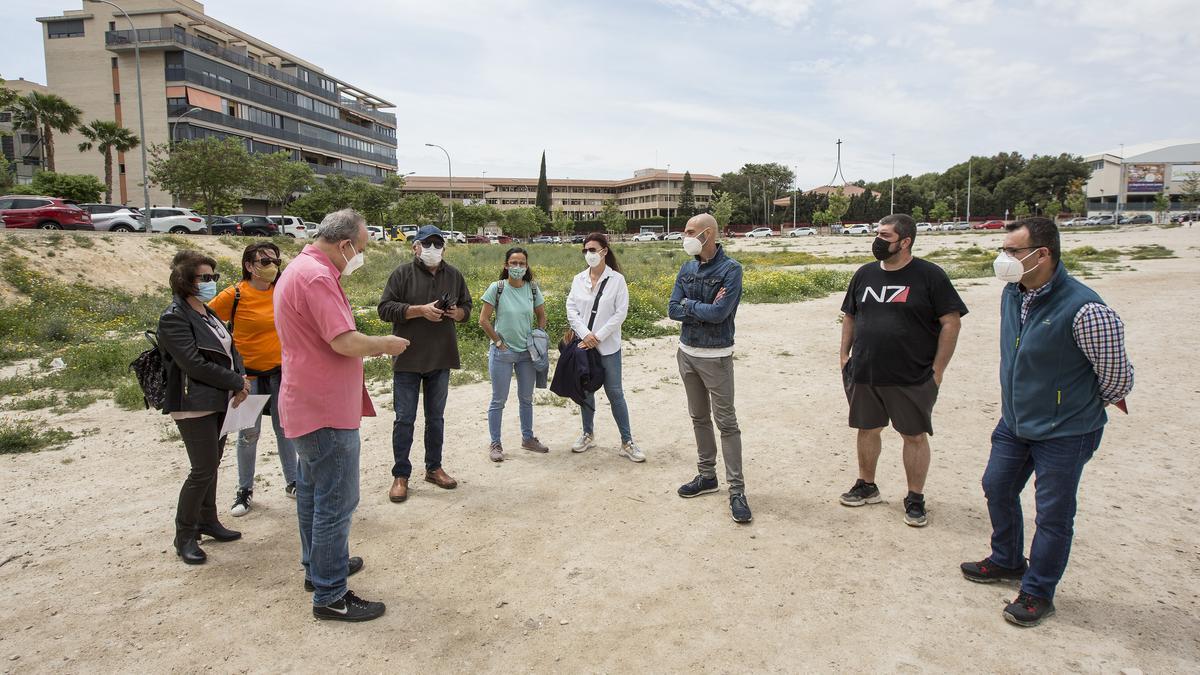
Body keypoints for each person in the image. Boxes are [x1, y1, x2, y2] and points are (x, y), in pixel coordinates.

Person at [961, 217, 1133, 627]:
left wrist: (1070, 407)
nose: (1004, 259)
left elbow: (1118, 378)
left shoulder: (1086, 309)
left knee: (1053, 515)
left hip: (1065, 432)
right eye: (1003, 250)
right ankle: (1006, 560)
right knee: (997, 486)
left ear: (1043, 254)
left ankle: (1038, 592)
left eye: (1013, 251)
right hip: (1016, 423)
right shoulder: (1012, 293)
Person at [274, 208, 410, 622]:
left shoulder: (300, 268)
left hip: (308, 401)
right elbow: (344, 341)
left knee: (314, 495)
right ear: (345, 243)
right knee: (337, 501)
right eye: (361, 248)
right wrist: (385, 343)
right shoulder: (315, 277)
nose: (360, 256)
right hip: (325, 408)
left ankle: (319, 569)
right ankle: (331, 594)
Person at [837, 213, 968, 527]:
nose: (877, 241)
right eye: (877, 233)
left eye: (885, 236)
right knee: (867, 429)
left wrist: (937, 370)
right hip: (865, 371)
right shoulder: (864, 274)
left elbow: (952, 322)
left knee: (913, 436)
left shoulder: (929, 276)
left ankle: (914, 497)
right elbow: (850, 316)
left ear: (905, 241)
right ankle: (867, 485)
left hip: (912, 375)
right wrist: (844, 356)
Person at [158, 250, 250, 565]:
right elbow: (193, 364)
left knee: (213, 463)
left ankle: (208, 520)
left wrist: (241, 376)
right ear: (186, 280)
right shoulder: (174, 316)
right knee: (202, 469)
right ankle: (184, 535)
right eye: (205, 277)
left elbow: (229, 347)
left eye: (214, 277)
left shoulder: (206, 312)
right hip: (193, 402)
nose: (211, 282)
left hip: (218, 399)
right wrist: (235, 382)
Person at [377, 225, 472, 503]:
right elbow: (384, 309)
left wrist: (457, 313)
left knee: (436, 418)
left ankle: (434, 468)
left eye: (437, 244)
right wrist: (419, 311)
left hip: (440, 357)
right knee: (404, 419)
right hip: (407, 358)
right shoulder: (401, 274)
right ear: (415, 247)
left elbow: (467, 307)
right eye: (426, 244)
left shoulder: (453, 275)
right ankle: (401, 474)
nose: (433, 250)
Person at [667, 213, 750, 524]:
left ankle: (737, 491)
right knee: (699, 417)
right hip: (686, 352)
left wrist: (690, 306)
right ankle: (707, 476)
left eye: (690, 231)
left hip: (716, 355)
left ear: (708, 234)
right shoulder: (686, 267)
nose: (684, 236)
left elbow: (720, 313)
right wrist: (694, 308)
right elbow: (672, 308)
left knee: (726, 423)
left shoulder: (731, 270)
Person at [208, 242, 297, 516]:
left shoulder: (281, 291)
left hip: (280, 373)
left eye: (275, 260)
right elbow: (206, 322)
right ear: (249, 265)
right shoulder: (234, 295)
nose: (272, 266)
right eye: (265, 261)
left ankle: (293, 482)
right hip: (247, 378)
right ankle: (245, 490)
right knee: (248, 434)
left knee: (286, 430)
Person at [566, 233, 645, 462]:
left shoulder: (617, 280)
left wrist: (597, 337)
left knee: (615, 393)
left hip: (608, 347)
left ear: (604, 251)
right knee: (586, 391)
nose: (589, 254)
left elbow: (620, 313)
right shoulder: (578, 279)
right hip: (583, 344)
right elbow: (571, 308)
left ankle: (626, 441)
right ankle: (587, 434)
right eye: (585, 250)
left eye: (593, 249)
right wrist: (585, 334)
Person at [479, 247, 549, 462]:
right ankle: (495, 444)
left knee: (526, 398)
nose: (517, 267)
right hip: (503, 353)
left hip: (527, 354)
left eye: (521, 263)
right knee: (498, 400)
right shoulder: (497, 288)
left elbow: (542, 316)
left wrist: (537, 337)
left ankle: (528, 438)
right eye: (513, 263)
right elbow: (483, 320)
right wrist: (498, 342)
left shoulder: (533, 289)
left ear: (527, 266)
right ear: (506, 265)